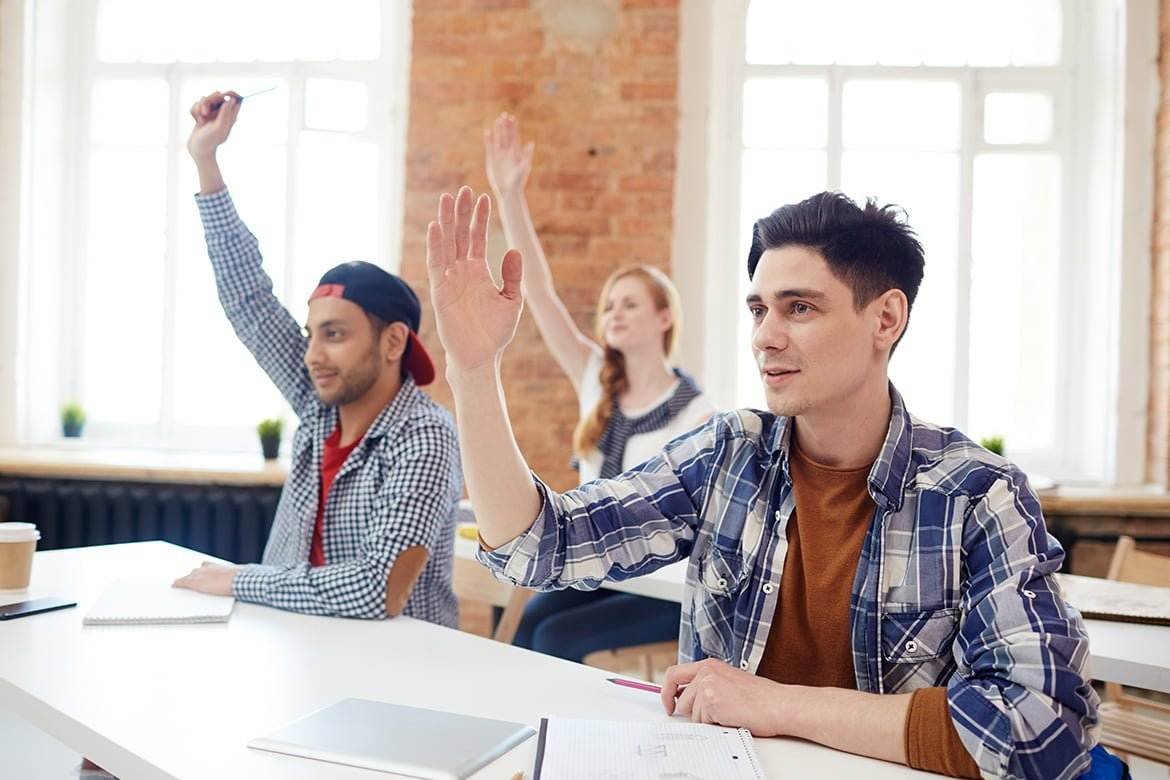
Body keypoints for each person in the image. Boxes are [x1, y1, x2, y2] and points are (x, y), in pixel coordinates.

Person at [424, 186, 1108, 777]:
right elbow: (539, 544)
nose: (765, 336)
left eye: (799, 308)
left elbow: (1041, 729)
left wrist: (773, 703)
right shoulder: (729, 452)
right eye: (758, 310)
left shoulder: (977, 494)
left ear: (886, 319)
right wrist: (473, 371)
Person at [172, 91, 461, 625]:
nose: (312, 355)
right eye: (311, 335)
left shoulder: (425, 435)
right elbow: (249, 301)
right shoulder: (320, 405)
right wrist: (205, 160)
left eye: (334, 334)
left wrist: (239, 578)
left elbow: (380, 590)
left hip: (396, 673)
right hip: (296, 644)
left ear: (393, 342)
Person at [483, 112, 714, 662]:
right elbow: (538, 292)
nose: (614, 313)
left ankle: (572, 742)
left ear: (664, 318)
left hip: (662, 586)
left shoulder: (695, 411)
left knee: (555, 639)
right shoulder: (595, 380)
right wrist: (509, 195)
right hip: (594, 569)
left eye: (629, 303)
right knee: (519, 625)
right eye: (609, 304)